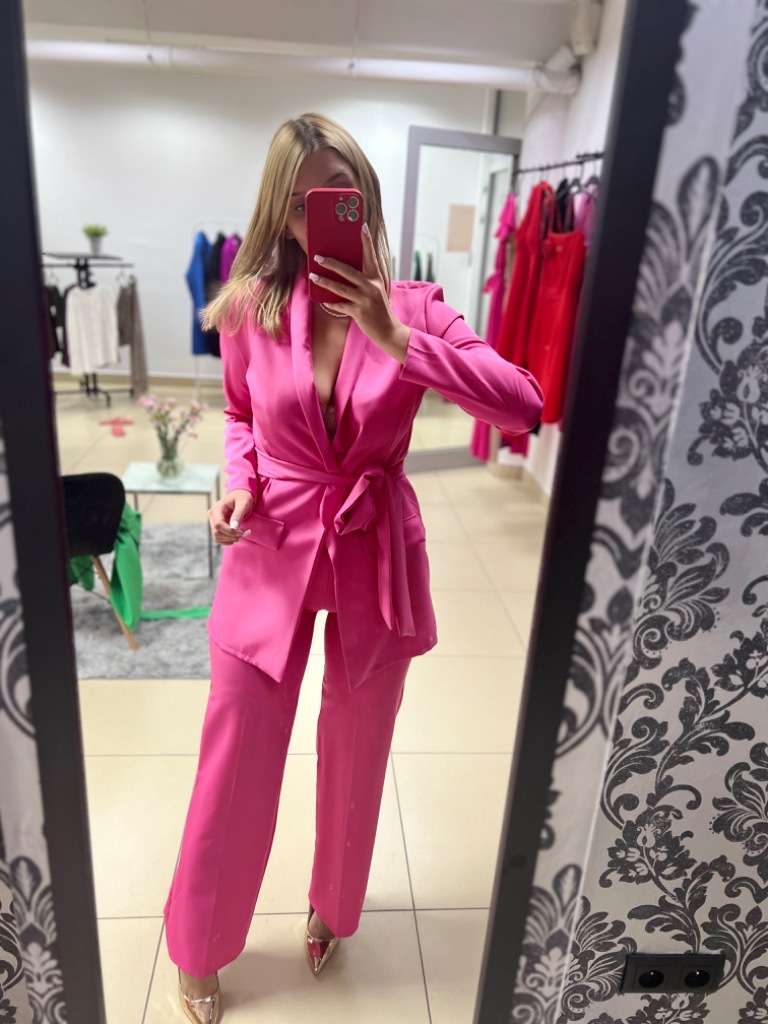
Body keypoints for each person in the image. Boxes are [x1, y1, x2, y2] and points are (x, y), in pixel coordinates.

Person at [165, 112, 543, 1024]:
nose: (317, 217)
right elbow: (242, 415)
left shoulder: (417, 306)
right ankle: (200, 942)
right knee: (236, 747)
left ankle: (332, 909)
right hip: (273, 540)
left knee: (357, 745)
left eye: (334, 194)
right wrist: (239, 486)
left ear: (364, 197)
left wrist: (396, 337)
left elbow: (524, 405)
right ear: (280, 214)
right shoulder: (252, 306)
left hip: (372, 543)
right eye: (298, 205)